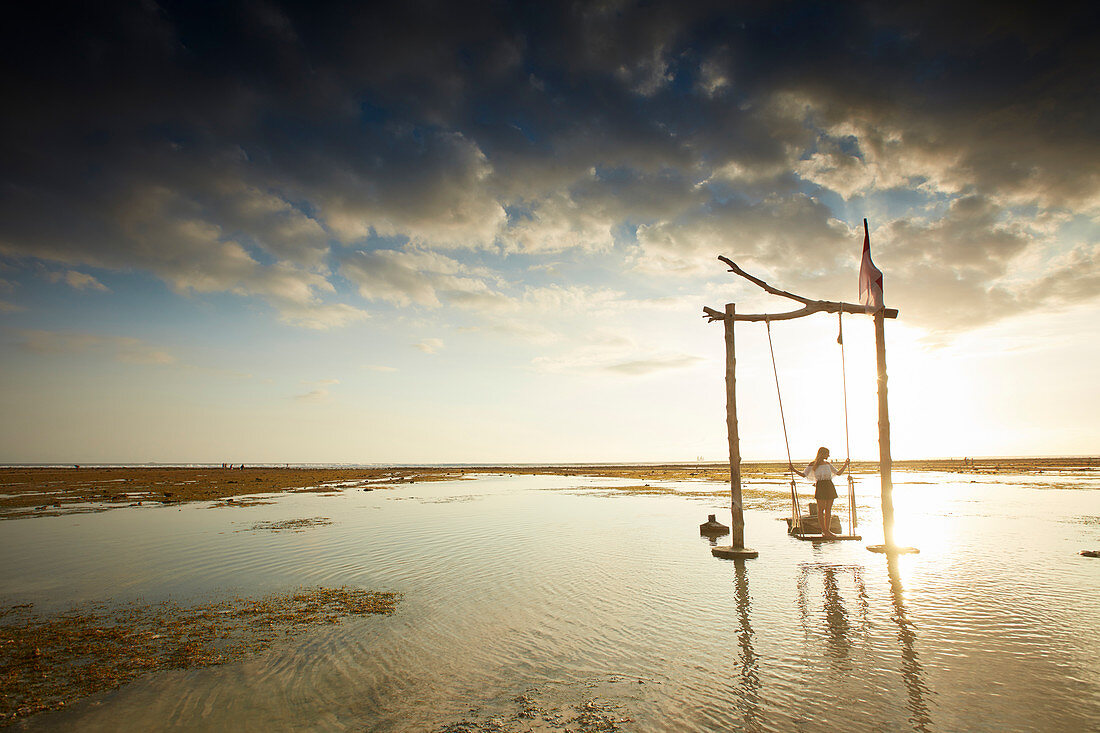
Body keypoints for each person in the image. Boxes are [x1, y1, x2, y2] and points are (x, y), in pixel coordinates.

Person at [790, 447, 849, 538]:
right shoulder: (813, 464)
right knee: (821, 509)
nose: (829, 456)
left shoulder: (828, 464)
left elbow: (838, 473)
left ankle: (828, 530)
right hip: (820, 486)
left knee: (828, 509)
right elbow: (804, 474)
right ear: (822, 454)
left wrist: (845, 465)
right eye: (827, 454)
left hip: (829, 485)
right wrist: (794, 470)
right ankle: (824, 531)